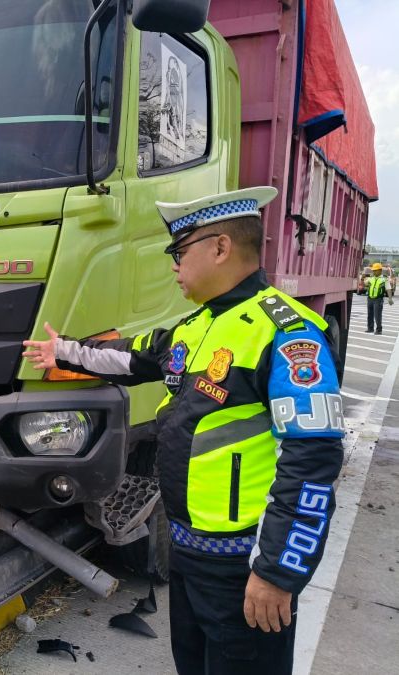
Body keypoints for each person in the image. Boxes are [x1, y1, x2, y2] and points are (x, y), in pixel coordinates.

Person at [22, 187, 344, 675]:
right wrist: (63, 352)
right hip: (189, 555)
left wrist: (278, 571)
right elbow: (134, 355)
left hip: (245, 568)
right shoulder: (196, 328)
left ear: (220, 248)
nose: (172, 264)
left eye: (179, 251)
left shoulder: (288, 334)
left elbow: (313, 461)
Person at [364, 262, 392, 334]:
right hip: (370, 298)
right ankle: (370, 328)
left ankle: (379, 330)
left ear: (380, 270)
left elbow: (388, 289)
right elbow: (365, 283)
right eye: (373, 270)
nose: (374, 271)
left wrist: (390, 298)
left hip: (378, 299)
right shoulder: (371, 278)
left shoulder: (384, 279)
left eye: (375, 270)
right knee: (369, 315)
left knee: (377, 315)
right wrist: (364, 277)